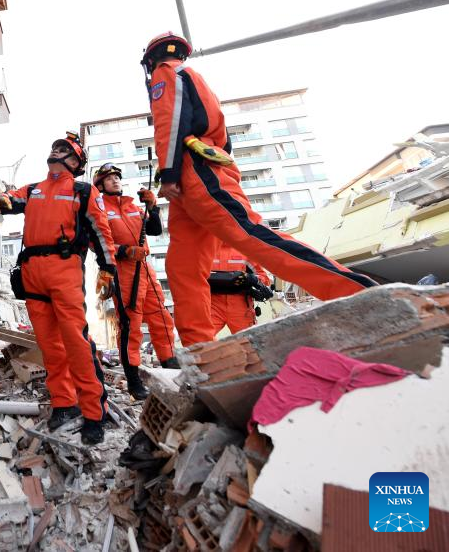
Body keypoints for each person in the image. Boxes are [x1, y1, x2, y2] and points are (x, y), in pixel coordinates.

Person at [140, 31, 377, 346]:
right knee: (183, 266)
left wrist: (169, 172)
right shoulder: (194, 77)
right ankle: (199, 348)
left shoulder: (165, 73)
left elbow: (170, 122)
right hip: (197, 171)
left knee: (250, 235)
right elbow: (223, 138)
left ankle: (360, 293)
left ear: (151, 60)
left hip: (193, 170)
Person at [0, 132, 117, 445]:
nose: (56, 152)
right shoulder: (33, 189)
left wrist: (108, 268)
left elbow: (101, 231)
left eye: (64, 149)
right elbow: (8, 201)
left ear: (76, 162)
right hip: (32, 273)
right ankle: (64, 403)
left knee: (75, 341)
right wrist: (0, 199)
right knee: (50, 345)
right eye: (55, 148)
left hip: (64, 269)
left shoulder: (83, 191)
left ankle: (94, 412)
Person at [92, 163, 178, 400]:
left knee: (162, 318)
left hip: (145, 269)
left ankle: (171, 366)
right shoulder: (98, 209)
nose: (115, 181)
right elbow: (96, 243)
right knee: (131, 325)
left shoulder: (133, 206)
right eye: (109, 178)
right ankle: (133, 381)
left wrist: (153, 206)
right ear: (100, 185)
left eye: (117, 177)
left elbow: (155, 230)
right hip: (124, 271)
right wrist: (125, 251)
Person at [209, 244, 273, 336]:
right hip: (212, 306)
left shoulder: (245, 251)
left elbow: (264, 278)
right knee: (199, 339)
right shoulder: (206, 250)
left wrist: (251, 279)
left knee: (248, 340)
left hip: (241, 306)